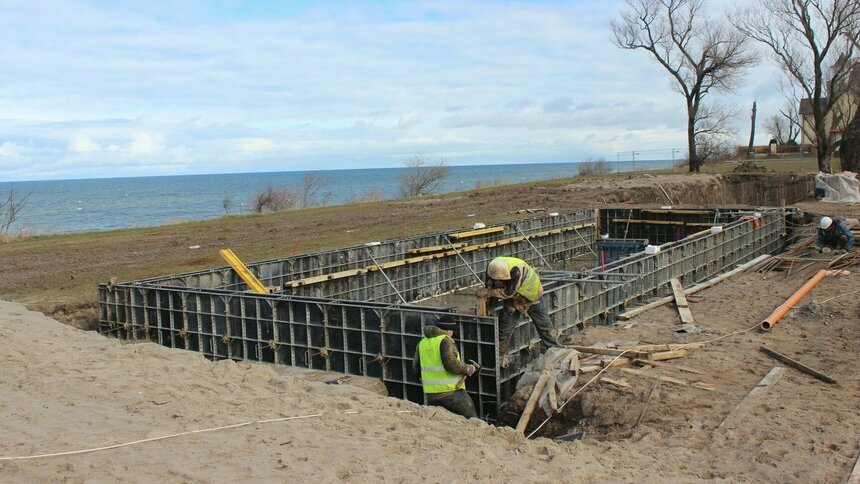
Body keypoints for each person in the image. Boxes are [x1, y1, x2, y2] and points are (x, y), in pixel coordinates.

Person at [484, 256, 560, 354]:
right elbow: (490, 286)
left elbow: (508, 293)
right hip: (514, 300)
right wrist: (490, 306)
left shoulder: (515, 271)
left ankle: (556, 351)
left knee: (545, 326)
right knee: (504, 330)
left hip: (532, 296)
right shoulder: (492, 268)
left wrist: (488, 292)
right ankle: (500, 357)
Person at [412, 316, 478, 419]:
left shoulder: (422, 343)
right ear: (448, 330)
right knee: (473, 419)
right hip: (451, 393)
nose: (452, 333)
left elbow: (415, 368)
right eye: (452, 330)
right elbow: (450, 364)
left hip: (431, 395)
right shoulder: (445, 341)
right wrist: (467, 368)